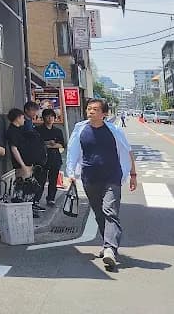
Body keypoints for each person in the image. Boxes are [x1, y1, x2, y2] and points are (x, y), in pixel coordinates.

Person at [66, 98, 136, 270]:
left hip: (112, 177)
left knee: (110, 211)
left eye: (95, 109)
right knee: (99, 214)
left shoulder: (114, 130)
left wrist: (133, 175)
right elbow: (72, 151)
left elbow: (128, 152)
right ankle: (107, 244)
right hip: (89, 178)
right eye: (89, 109)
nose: (91, 112)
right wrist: (70, 173)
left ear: (104, 114)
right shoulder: (80, 129)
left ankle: (110, 249)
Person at [6, 108, 47, 216]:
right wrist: (22, 164)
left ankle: (26, 208)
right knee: (26, 187)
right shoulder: (12, 131)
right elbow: (14, 148)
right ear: (18, 118)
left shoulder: (20, 129)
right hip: (22, 163)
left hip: (27, 162)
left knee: (29, 186)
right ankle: (23, 210)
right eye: (23, 117)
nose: (24, 119)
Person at [36, 108, 65, 206]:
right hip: (42, 158)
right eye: (47, 116)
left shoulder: (58, 131)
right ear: (43, 118)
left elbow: (62, 145)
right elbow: (37, 144)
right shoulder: (38, 130)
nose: (50, 118)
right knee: (41, 180)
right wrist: (48, 143)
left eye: (52, 116)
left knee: (53, 180)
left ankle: (51, 198)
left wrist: (52, 144)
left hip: (55, 158)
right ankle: (36, 200)